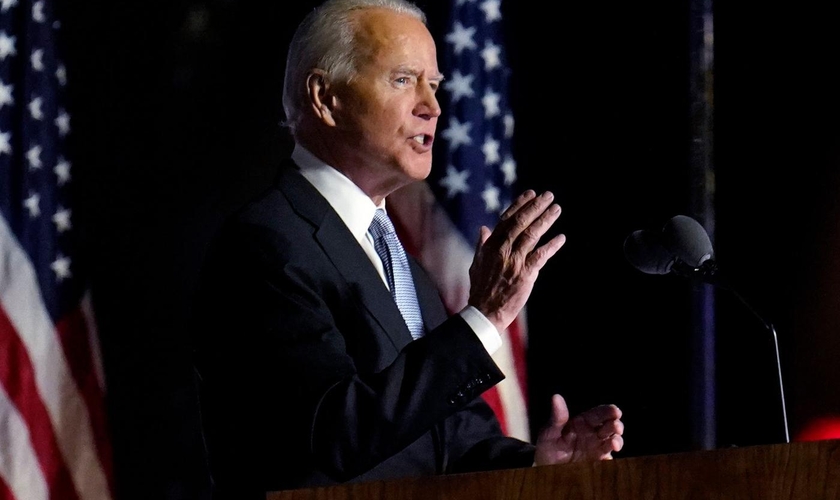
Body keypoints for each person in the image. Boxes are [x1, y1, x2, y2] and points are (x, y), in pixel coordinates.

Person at [191, 0, 624, 497]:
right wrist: (482, 317)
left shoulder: (405, 267)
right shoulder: (265, 245)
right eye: (403, 80)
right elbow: (337, 433)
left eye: (434, 85)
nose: (433, 107)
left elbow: (447, 440)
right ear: (325, 97)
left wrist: (536, 461)